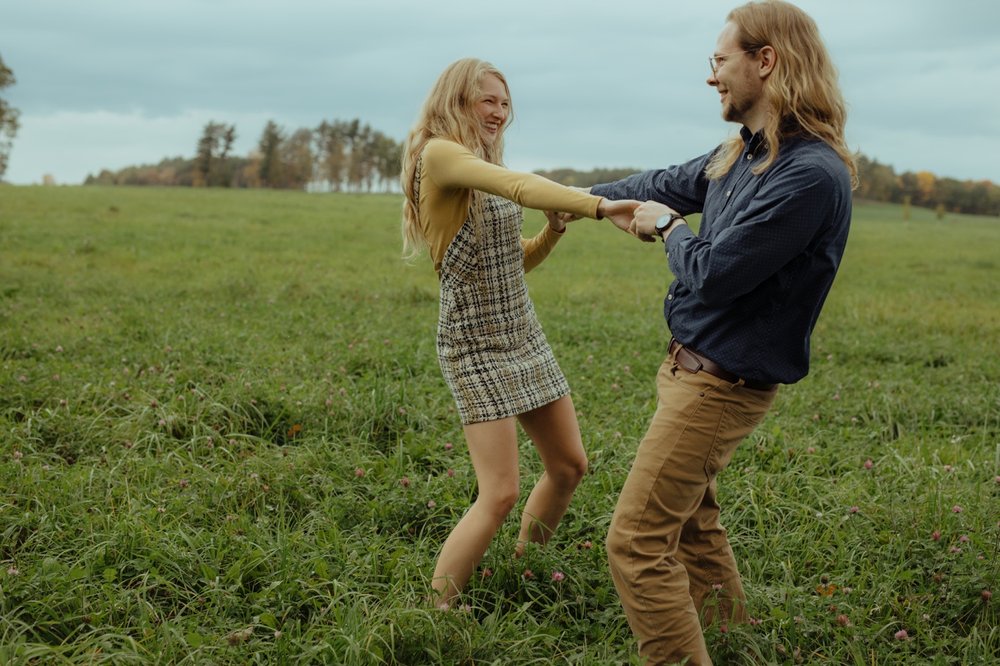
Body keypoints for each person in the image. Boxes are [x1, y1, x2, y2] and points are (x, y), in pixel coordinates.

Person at [588, 2, 857, 663]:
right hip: (690, 372)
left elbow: (717, 273)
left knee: (635, 543)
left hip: (719, 388)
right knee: (692, 531)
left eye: (720, 60)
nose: (713, 77)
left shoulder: (809, 176)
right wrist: (572, 199)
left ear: (765, 61)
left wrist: (671, 229)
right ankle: (734, 650)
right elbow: (659, 184)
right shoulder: (740, 153)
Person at [400, 57, 638, 609]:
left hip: (522, 334)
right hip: (474, 342)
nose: (499, 112)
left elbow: (511, 263)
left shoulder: (476, 161)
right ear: (457, 100)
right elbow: (519, 185)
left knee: (569, 466)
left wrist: (552, 234)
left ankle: (527, 570)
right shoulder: (440, 155)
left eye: (505, 103)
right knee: (500, 492)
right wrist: (600, 206)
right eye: (488, 100)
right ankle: (436, 614)